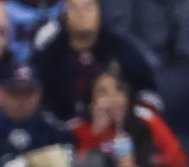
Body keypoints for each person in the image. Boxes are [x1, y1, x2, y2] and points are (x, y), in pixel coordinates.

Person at [30, 0, 160, 123]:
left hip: (121, 131)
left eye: (89, 7)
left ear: (100, 13)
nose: (82, 14)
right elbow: (38, 103)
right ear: (64, 16)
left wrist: (133, 120)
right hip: (66, 134)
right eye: (74, 8)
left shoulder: (119, 49)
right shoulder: (50, 55)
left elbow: (148, 92)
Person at [71, 64, 186, 167]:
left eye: (119, 90)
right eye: (103, 93)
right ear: (91, 102)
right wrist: (96, 133)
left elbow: (179, 163)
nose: (113, 99)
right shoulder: (77, 128)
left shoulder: (146, 120)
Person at [0, 56, 73, 167]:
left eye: (27, 93)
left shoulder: (56, 132)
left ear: (39, 93)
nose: (21, 100)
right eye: (14, 92)